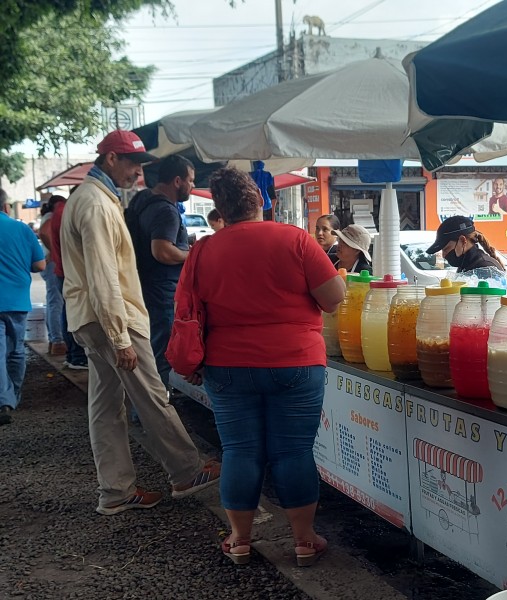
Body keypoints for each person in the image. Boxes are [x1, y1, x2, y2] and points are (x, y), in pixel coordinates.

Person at [178, 166, 345, 566]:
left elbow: (187, 309)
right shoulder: (297, 239)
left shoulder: (203, 250)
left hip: (228, 365)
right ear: (260, 199)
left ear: (219, 208)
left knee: (240, 451)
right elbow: (333, 298)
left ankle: (239, 540)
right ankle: (304, 541)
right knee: (293, 452)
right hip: (296, 363)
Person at [60, 129, 220, 515]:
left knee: (106, 407)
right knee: (151, 395)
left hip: (93, 316)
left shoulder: (96, 199)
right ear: (111, 160)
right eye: (132, 163)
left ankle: (115, 490)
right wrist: (120, 338)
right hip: (112, 317)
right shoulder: (97, 204)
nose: (137, 171)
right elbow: (103, 276)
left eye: (139, 164)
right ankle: (186, 470)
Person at [126, 154, 195, 390]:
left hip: (141, 284)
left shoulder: (142, 199)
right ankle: (157, 408)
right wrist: (192, 254)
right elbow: (162, 251)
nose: (192, 186)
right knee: (162, 350)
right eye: (191, 181)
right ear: (177, 181)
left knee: (147, 348)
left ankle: (144, 407)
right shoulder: (166, 211)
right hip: (161, 290)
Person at [0, 188, 46, 426]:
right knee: (16, 350)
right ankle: (13, 397)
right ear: (6, 207)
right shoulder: (21, 229)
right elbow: (39, 264)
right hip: (17, 301)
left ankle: (3, 401)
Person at [49, 191, 89, 370]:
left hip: (63, 270)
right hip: (69, 271)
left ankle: (74, 354)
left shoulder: (59, 212)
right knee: (72, 312)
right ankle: (76, 355)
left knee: (68, 310)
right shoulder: (65, 212)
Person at [37, 196, 66, 356]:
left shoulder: (48, 216)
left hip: (49, 261)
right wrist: (55, 252)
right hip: (52, 262)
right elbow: (43, 233)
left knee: (53, 301)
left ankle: (55, 340)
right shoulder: (51, 217)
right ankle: (57, 341)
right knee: (56, 302)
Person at [426, 215, 505, 273]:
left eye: (446, 249)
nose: (443, 255)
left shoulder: (485, 268)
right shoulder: (467, 264)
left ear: (462, 241)